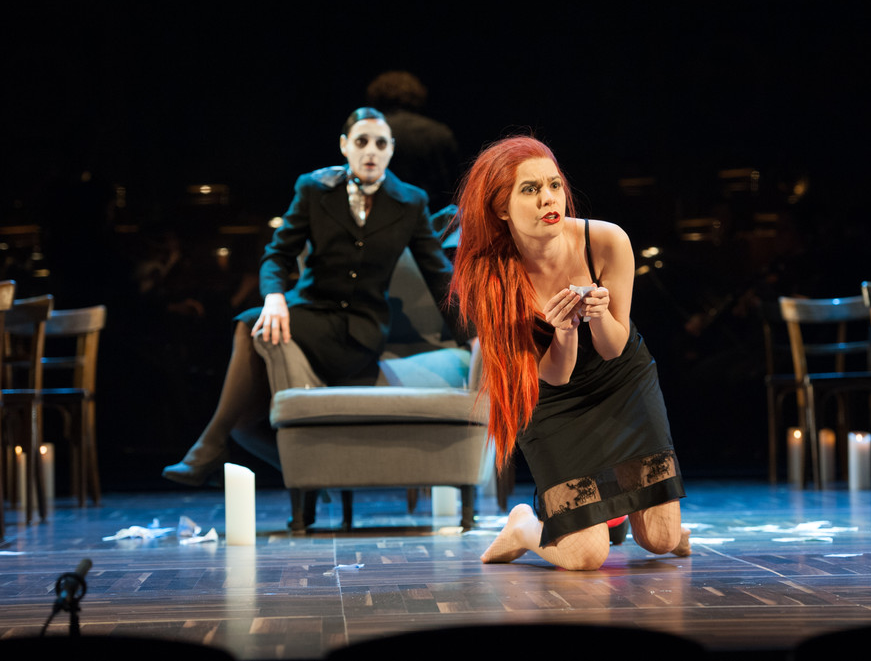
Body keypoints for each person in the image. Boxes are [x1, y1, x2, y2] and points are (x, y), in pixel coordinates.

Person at [162, 107, 461, 491]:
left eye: (380, 143)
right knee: (248, 393)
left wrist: (473, 334)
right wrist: (274, 297)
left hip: (360, 332)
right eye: (362, 142)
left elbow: (439, 276)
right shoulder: (314, 189)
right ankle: (287, 468)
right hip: (310, 314)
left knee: (246, 336)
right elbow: (277, 254)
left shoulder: (410, 201)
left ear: (391, 150)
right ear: (345, 146)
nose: (371, 151)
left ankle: (211, 446)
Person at [448, 136, 690, 571]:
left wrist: (597, 316)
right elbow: (555, 376)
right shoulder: (490, 277)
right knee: (585, 556)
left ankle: (618, 514)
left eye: (554, 185)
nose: (548, 199)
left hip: (621, 382)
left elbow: (614, 347)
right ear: (501, 209)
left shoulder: (606, 241)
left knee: (661, 539)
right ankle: (524, 526)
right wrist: (563, 332)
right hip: (552, 400)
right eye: (530, 189)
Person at [366, 71, 460, 211]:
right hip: (430, 215)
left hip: (380, 215)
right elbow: (453, 186)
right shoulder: (439, 133)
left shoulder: (366, 133)